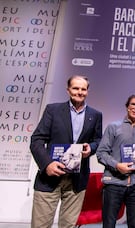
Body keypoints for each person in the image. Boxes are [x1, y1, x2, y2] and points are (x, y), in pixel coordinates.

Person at [30, 75, 103, 228]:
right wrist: (47, 164)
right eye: (76, 88)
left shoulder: (95, 115)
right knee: (40, 225)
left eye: (83, 89)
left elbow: (97, 140)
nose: (79, 92)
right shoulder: (53, 110)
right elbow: (36, 140)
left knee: (68, 225)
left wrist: (91, 149)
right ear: (68, 89)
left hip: (77, 180)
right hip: (50, 178)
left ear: (87, 91)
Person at [96, 94, 135, 228]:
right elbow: (101, 153)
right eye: (133, 104)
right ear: (127, 106)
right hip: (114, 182)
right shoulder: (113, 127)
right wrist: (117, 165)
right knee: (109, 223)